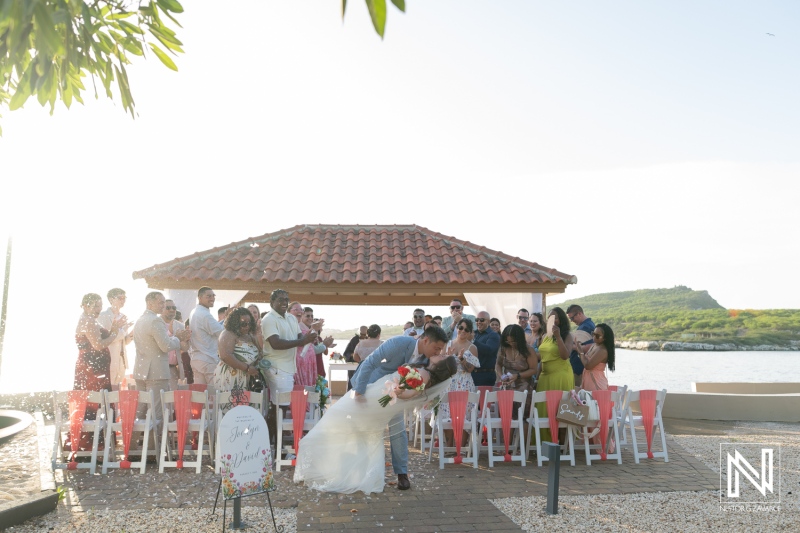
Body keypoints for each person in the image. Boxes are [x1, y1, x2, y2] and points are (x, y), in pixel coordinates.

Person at [295, 354, 457, 494]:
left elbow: (412, 392)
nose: (440, 354)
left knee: (339, 416)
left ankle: (325, 458)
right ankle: (366, 476)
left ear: (440, 365)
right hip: (379, 393)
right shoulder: (424, 369)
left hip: (377, 396)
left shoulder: (425, 374)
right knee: (367, 431)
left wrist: (401, 393)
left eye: (442, 357)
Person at [350, 325, 450, 490]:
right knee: (368, 430)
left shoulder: (428, 360)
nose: (438, 352)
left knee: (398, 429)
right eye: (437, 348)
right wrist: (360, 392)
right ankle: (364, 472)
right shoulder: (398, 343)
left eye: (441, 350)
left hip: (394, 394)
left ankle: (402, 474)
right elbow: (369, 363)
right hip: (369, 386)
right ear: (425, 340)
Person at [261, 290, 318, 442]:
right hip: (276, 368)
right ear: (272, 302)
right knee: (279, 408)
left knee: (280, 408)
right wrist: (302, 342)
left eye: (286, 299)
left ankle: (274, 445)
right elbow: (275, 343)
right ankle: (273, 446)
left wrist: (309, 337)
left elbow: (299, 336)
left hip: (288, 368)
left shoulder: (291, 318)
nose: (284, 302)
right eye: (280, 300)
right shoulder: (269, 319)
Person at [133, 291, 191, 421]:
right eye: (160, 302)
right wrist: (178, 338)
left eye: (164, 302)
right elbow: (165, 346)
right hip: (156, 372)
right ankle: (157, 441)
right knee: (157, 412)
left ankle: (135, 440)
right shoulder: (155, 320)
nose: (163, 305)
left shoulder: (140, 320)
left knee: (140, 411)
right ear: (150, 303)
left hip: (141, 370)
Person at [74, 293, 125, 432]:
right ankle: (97, 440)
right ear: (85, 306)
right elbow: (98, 345)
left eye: (100, 306)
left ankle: (98, 439)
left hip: (94, 368)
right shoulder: (88, 321)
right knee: (96, 401)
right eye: (95, 306)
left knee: (97, 401)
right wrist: (114, 333)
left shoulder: (89, 319)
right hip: (93, 370)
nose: (98, 309)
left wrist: (114, 328)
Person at [535, 307, 574, 442]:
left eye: (556, 317)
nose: (553, 320)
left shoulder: (567, 335)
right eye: (551, 317)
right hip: (545, 376)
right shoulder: (544, 336)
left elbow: (565, 355)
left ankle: (560, 443)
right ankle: (543, 443)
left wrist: (558, 337)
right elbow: (542, 358)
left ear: (561, 320)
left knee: (560, 411)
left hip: (560, 376)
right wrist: (537, 377)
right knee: (543, 409)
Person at [440, 318, 480, 447]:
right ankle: (449, 446)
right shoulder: (448, 344)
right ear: (457, 328)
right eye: (460, 327)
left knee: (464, 415)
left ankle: (461, 447)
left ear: (470, 333)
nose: (462, 331)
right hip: (450, 382)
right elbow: (440, 365)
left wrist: (462, 359)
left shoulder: (472, 347)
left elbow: (470, 369)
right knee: (448, 413)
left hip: (465, 383)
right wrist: (447, 357)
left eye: (466, 329)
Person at [579, 323, 616, 449]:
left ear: (605, 338)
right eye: (593, 334)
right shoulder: (595, 345)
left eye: (598, 336)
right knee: (588, 412)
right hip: (589, 379)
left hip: (596, 382)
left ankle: (601, 446)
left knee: (596, 415)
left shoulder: (602, 350)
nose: (594, 337)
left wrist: (580, 353)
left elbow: (588, 365)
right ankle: (590, 444)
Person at [214, 307, 262, 397]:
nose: (247, 326)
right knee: (231, 407)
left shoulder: (249, 335)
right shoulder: (228, 334)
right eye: (243, 324)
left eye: (249, 323)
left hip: (246, 377)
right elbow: (225, 356)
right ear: (235, 323)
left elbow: (260, 351)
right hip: (231, 376)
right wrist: (247, 368)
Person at [96, 288, 133, 390]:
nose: (123, 300)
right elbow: (109, 337)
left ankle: (116, 406)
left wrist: (131, 335)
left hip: (121, 358)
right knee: (109, 389)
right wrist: (124, 329)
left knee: (118, 389)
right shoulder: (103, 316)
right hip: (110, 357)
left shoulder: (123, 316)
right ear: (111, 299)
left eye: (124, 298)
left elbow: (123, 341)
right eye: (120, 298)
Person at [188, 287, 225, 385]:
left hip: (197, 359)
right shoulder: (205, 314)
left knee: (200, 395)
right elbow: (222, 333)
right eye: (208, 296)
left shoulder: (194, 312)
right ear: (200, 298)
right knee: (215, 395)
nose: (212, 298)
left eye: (213, 296)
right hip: (208, 359)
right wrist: (228, 318)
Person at [495, 325, 538, 397]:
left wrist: (517, 376)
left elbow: (533, 370)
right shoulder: (504, 348)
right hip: (507, 386)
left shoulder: (528, 350)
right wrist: (501, 376)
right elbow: (498, 364)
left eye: (514, 342)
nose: (511, 344)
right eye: (507, 341)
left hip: (524, 388)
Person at [161, 299, 189, 391]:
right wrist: (170, 333)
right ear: (161, 308)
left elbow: (185, 348)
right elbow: (161, 344)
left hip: (173, 368)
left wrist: (185, 340)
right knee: (159, 399)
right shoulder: (157, 324)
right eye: (168, 308)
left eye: (174, 308)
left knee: (172, 399)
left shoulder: (180, 325)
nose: (172, 310)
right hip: (159, 367)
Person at [566, 304, 596, 388]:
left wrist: (569, 345)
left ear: (579, 314)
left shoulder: (586, 327)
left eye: (572, 318)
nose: (571, 321)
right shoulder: (588, 325)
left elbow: (589, 348)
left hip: (579, 369)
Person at [289, 301, 317, 388]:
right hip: (297, 366)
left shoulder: (298, 327)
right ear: (288, 312)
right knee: (298, 394)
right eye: (296, 309)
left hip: (307, 366)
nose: (300, 311)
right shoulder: (288, 326)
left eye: (301, 309)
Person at [472, 311, 500, 387]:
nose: (479, 322)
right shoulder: (474, 333)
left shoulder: (494, 335)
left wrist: (473, 341)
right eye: (477, 320)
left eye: (481, 320)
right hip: (471, 374)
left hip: (485, 375)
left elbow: (489, 350)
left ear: (488, 321)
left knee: (484, 398)